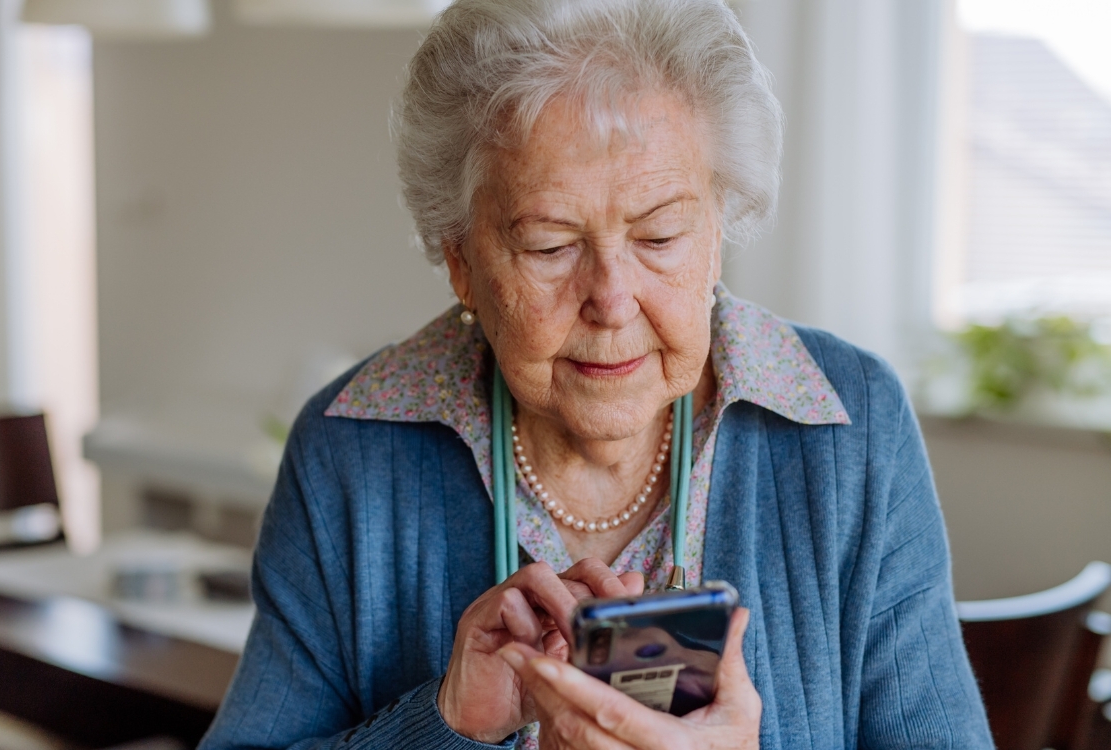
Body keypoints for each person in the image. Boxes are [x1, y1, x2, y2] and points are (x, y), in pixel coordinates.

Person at [199, 0, 993, 746]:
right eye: (549, 245)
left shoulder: (850, 422)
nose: (612, 300)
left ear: (720, 228)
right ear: (461, 262)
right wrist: (446, 726)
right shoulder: (354, 448)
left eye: (660, 236)